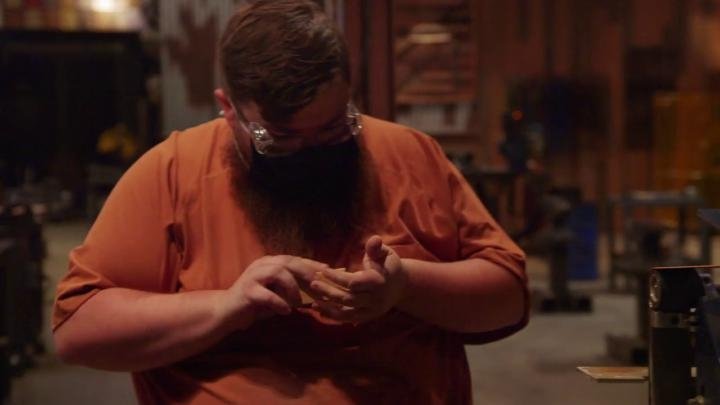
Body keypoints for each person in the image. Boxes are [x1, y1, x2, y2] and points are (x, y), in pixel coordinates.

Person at [52, 1, 528, 403]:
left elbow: (508, 299)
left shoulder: (410, 155)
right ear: (228, 107)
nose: (311, 151)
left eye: (334, 129)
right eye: (280, 138)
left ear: (350, 93)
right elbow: (79, 331)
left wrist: (406, 286)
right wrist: (226, 307)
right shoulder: (173, 172)